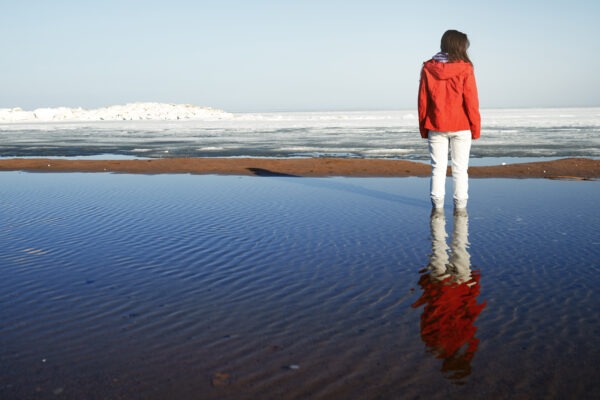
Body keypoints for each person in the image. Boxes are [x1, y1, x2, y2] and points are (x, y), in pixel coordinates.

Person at [418, 30, 481, 210]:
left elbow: (423, 101)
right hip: (461, 126)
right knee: (460, 170)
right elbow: (471, 101)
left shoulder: (428, 67)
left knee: (437, 169)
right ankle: (460, 213)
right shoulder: (466, 68)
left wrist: (424, 128)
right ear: (459, 46)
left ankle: (436, 212)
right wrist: (475, 129)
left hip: (435, 125)